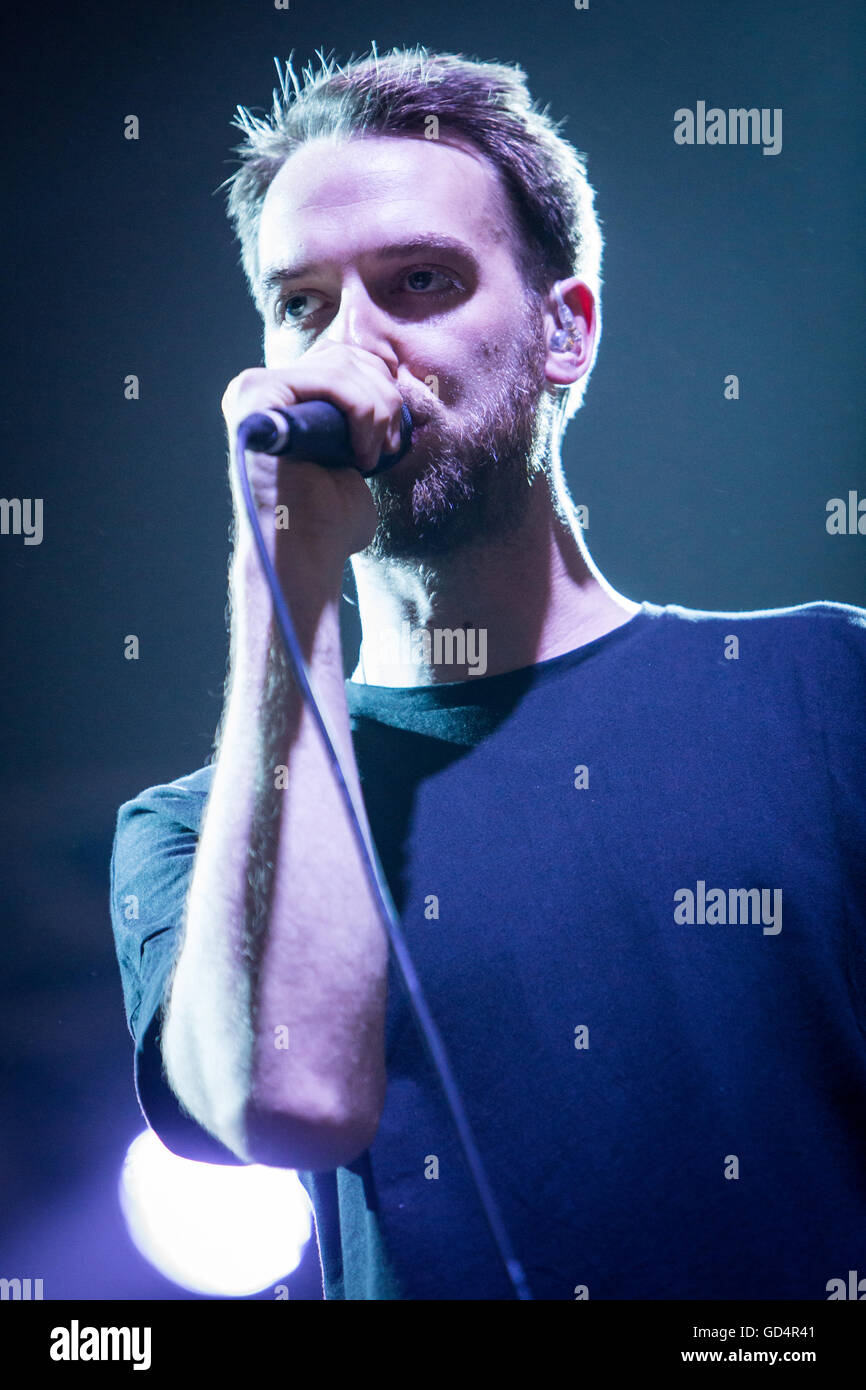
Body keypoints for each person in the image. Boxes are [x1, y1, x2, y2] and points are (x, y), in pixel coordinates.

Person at [110, 45, 866, 1300]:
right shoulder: (195, 832)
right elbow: (287, 1099)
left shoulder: (819, 687)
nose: (352, 349)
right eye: (300, 304)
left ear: (563, 332)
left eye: (418, 282)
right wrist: (278, 576)